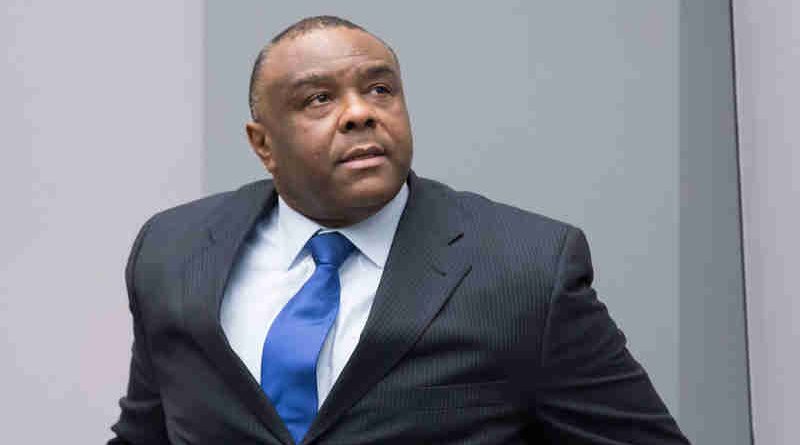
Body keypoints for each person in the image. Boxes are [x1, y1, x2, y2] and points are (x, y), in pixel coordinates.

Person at [109, 16, 689, 445]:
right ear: (263, 145)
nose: (360, 112)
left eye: (380, 89)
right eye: (318, 99)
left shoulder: (526, 268)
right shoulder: (172, 252)